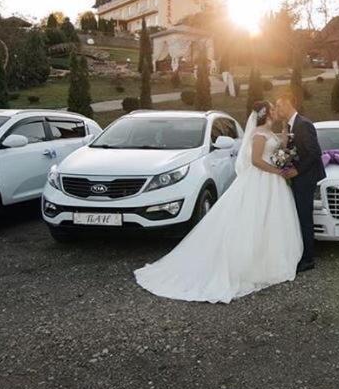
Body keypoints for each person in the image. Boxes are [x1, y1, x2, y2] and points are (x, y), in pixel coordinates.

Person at [133, 101, 302, 303]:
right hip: (262, 179)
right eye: (272, 109)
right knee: (254, 218)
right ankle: (252, 263)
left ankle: (271, 258)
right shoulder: (258, 134)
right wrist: (278, 171)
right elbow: (257, 160)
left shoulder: (270, 132)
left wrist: (283, 138)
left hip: (271, 182)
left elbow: (275, 151)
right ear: (265, 114)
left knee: (269, 219)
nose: (275, 111)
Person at [275, 92, 326, 272]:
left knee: (304, 217)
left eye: (279, 105)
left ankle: (308, 259)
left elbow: (314, 153)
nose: (277, 109)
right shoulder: (289, 125)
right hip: (298, 177)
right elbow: (294, 152)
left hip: (306, 178)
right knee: (298, 215)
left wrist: (296, 170)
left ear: (289, 103)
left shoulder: (303, 124)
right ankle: (301, 252)